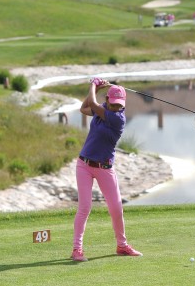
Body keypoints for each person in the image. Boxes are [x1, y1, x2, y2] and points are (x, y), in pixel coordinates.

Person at [71, 77, 142, 262]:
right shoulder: (101, 111)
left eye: (120, 104)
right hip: (84, 165)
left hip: (105, 168)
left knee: (117, 208)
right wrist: (97, 88)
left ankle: (122, 245)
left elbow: (93, 103)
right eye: (114, 103)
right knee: (84, 207)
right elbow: (84, 107)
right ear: (108, 100)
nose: (117, 107)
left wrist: (94, 85)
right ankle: (77, 249)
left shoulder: (118, 118)